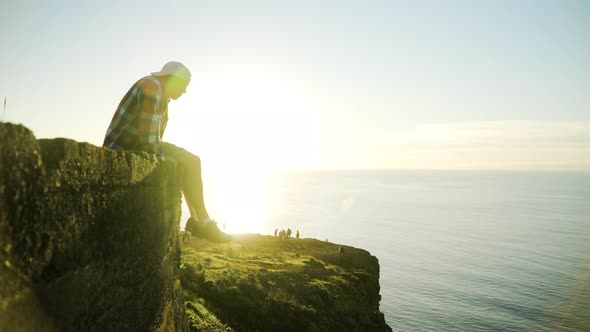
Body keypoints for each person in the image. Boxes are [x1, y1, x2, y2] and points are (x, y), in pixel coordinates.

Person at [103, 61, 229, 242]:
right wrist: (167, 160)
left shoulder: (158, 91)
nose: (184, 91)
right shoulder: (152, 88)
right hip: (124, 147)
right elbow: (148, 141)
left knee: (190, 162)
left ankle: (198, 220)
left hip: (133, 143)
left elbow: (151, 139)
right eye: (184, 86)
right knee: (190, 162)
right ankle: (203, 222)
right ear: (172, 79)